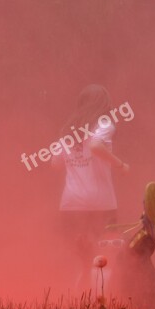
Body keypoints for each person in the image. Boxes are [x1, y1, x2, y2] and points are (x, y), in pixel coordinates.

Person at [53, 84, 129, 288]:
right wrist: (120, 164)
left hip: (71, 204)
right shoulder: (104, 125)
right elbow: (95, 145)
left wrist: (75, 158)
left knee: (80, 259)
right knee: (105, 257)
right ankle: (99, 304)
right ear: (104, 104)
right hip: (101, 204)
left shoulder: (67, 131)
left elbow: (55, 164)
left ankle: (74, 302)